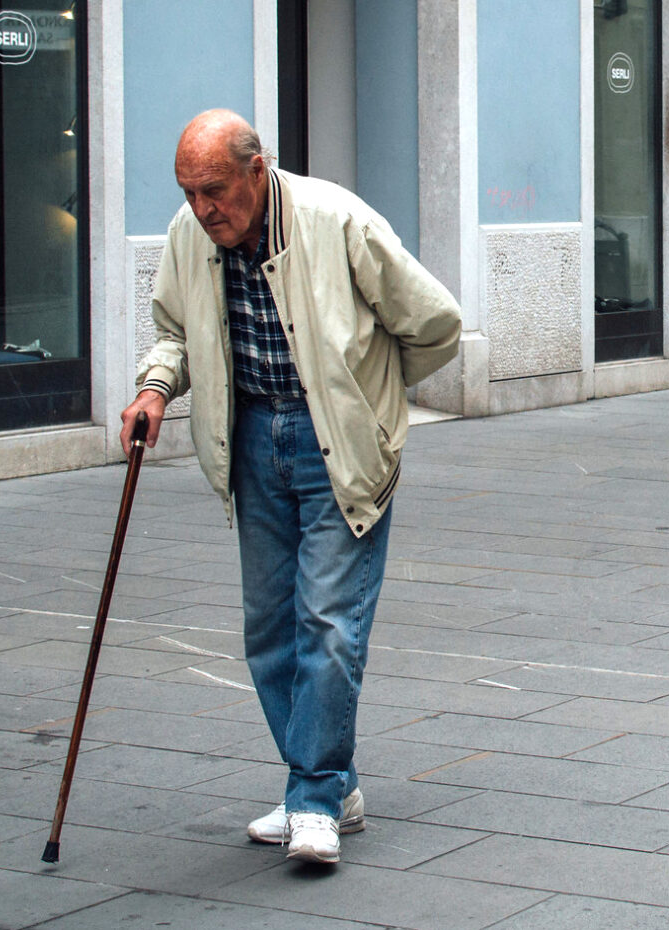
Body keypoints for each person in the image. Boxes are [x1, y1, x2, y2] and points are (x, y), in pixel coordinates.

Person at [122, 109, 461, 864]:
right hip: (250, 439)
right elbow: (175, 330)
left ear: (255, 168)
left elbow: (435, 320)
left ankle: (312, 798)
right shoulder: (191, 238)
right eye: (188, 193)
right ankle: (332, 785)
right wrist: (153, 389)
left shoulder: (335, 219)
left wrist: (365, 398)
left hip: (333, 443)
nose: (204, 209)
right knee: (269, 633)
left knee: (330, 623)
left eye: (214, 189)